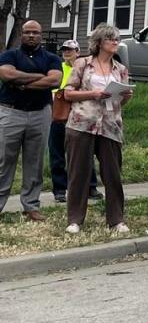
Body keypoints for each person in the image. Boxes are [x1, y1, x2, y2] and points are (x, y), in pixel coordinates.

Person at [63, 23, 133, 234]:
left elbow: (120, 101)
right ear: (100, 42)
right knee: (79, 173)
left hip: (110, 125)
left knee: (113, 174)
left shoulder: (120, 69)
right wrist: (93, 94)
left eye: (117, 39)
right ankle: (75, 220)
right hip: (82, 123)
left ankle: (116, 220)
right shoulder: (82, 63)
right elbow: (67, 93)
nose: (115, 42)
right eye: (111, 39)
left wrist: (125, 96)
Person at [0, 20, 63, 220]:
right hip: (11, 112)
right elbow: (7, 75)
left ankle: (31, 206)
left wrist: (23, 83)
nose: (31, 36)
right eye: (27, 32)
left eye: (35, 32)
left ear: (41, 35)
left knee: (34, 163)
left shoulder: (52, 58)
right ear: (21, 34)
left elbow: (54, 80)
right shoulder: (9, 55)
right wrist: (38, 77)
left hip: (40, 113)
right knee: (3, 161)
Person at [49, 40, 99, 203]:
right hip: (60, 113)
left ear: (78, 51)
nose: (67, 53)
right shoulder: (59, 68)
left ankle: (91, 186)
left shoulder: (84, 68)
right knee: (57, 152)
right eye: (64, 50)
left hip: (81, 114)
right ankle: (59, 189)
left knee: (85, 152)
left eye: (70, 50)